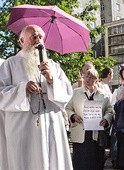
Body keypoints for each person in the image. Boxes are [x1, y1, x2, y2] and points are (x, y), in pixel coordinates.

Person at [0, 25, 73, 170]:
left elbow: (68, 92)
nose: (38, 40)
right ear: (21, 41)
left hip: (51, 123)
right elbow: (1, 93)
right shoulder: (10, 64)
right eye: (33, 36)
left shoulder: (53, 65)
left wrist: (52, 80)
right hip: (23, 127)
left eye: (40, 37)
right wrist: (23, 89)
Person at [66, 68, 113, 170]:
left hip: (96, 135)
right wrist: (73, 116)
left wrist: (106, 119)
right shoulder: (75, 92)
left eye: (91, 77)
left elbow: (110, 110)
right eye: (87, 76)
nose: (88, 79)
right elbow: (67, 108)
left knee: (96, 163)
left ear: (96, 80)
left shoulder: (103, 94)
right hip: (80, 134)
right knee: (80, 164)